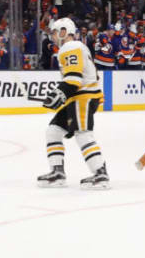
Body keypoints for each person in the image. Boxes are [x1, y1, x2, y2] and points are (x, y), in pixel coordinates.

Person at [37, 17, 109, 189]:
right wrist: (58, 96)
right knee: (53, 131)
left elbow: (73, 80)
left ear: (64, 32)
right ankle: (57, 172)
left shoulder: (71, 47)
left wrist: (57, 95)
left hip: (82, 98)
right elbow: (73, 80)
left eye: (54, 32)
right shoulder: (73, 48)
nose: (53, 36)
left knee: (82, 133)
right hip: (77, 98)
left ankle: (100, 174)